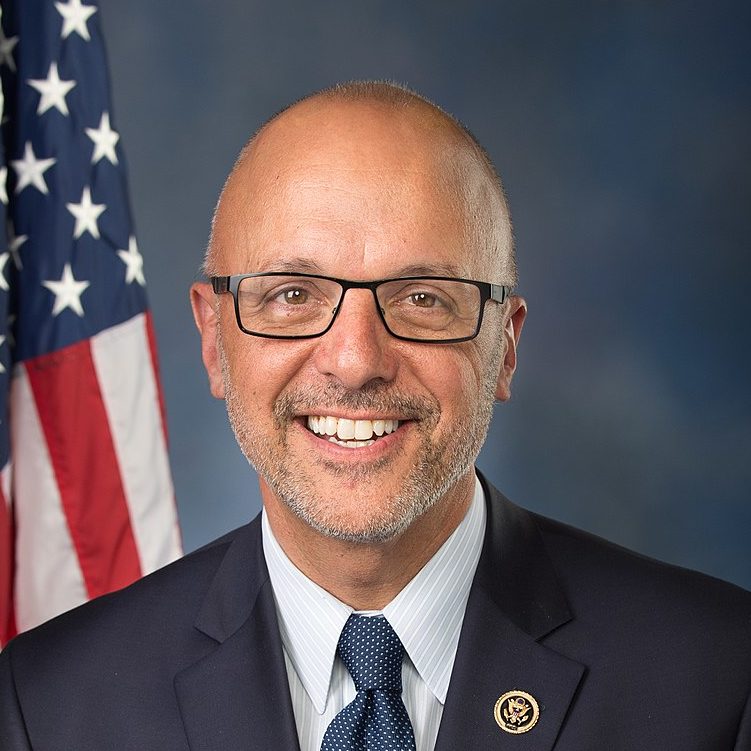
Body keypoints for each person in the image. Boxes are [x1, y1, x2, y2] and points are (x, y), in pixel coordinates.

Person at [1, 81, 749, 751]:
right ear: (213, 340)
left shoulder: (717, 680)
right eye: (291, 295)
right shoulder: (48, 706)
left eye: (422, 298)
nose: (354, 359)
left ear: (506, 345)